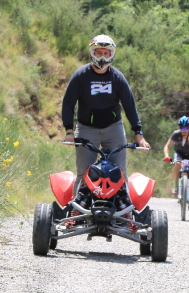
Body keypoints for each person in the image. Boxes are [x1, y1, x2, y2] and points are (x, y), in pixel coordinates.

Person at [62, 35, 150, 188]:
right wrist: (69, 132)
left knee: (120, 173)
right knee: (83, 174)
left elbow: (129, 105)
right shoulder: (80, 75)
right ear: (92, 53)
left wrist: (139, 135)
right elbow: (68, 103)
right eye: (98, 53)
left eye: (106, 53)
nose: (102, 57)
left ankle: (125, 210)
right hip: (86, 129)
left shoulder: (117, 77)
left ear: (111, 54)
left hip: (113, 128)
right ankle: (77, 210)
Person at [163, 116, 189, 209]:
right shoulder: (175, 134)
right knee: (177, 164)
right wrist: (166, 156)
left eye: (186, 128)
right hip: (179, 154)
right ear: (179, 128)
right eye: (182, 128)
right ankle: (175, 185)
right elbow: (167, 146)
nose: (184, 130)